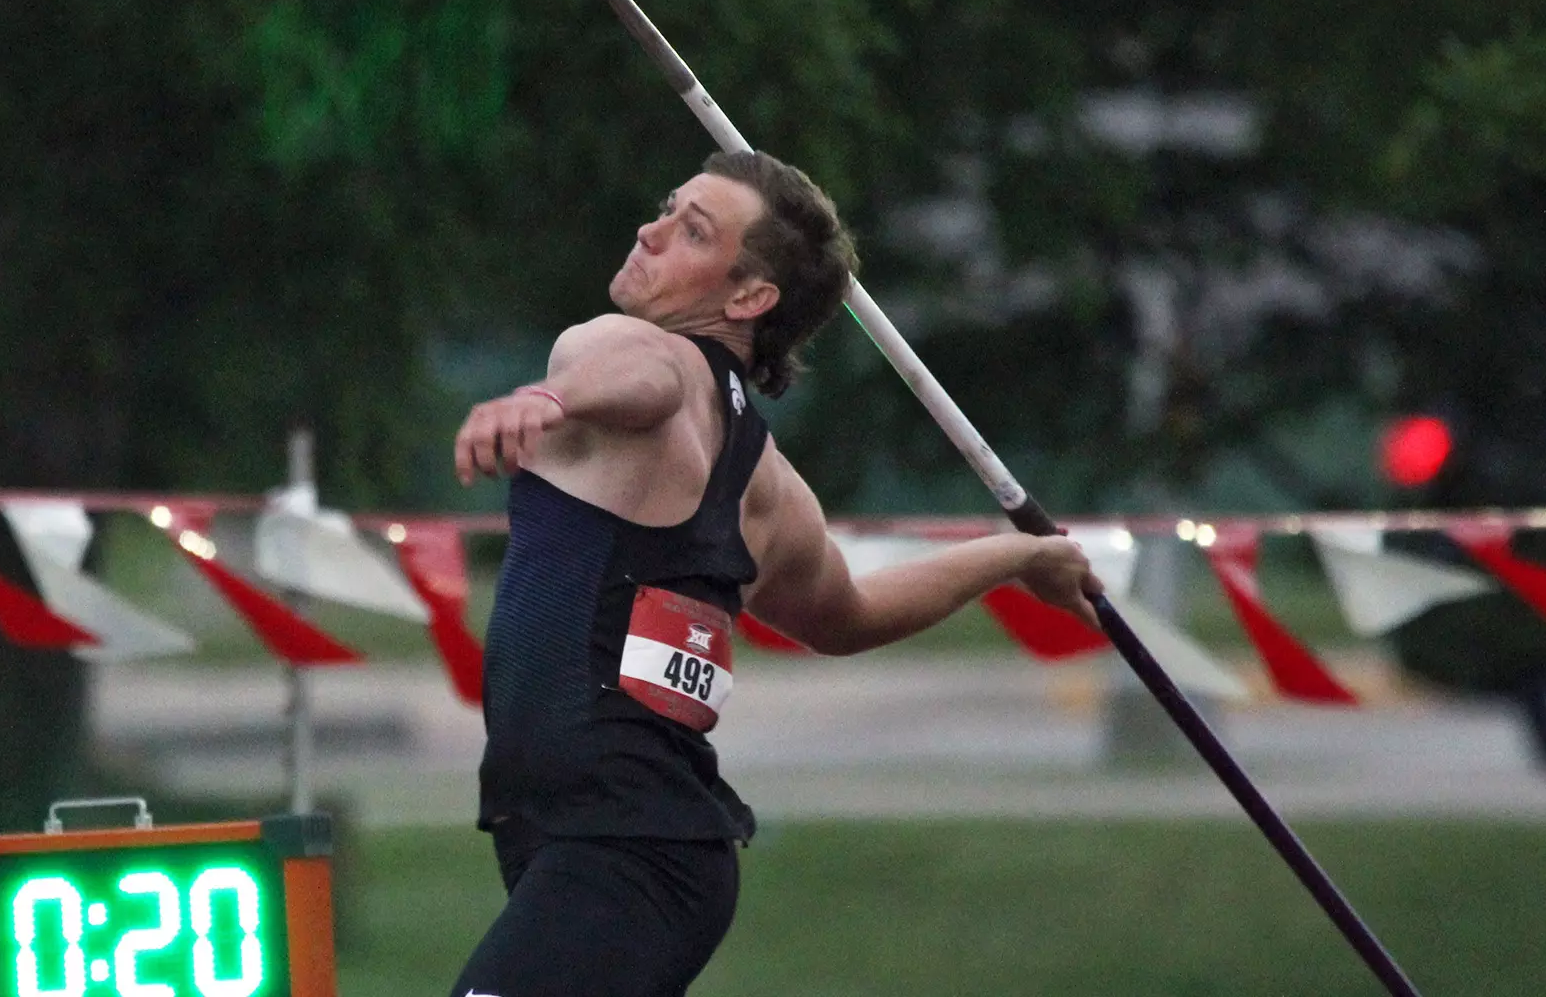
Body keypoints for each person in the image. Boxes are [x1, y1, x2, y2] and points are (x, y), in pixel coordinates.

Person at [447, 150, 1103, 997]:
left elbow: (646, 381)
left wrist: (550, 400)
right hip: (635, 849)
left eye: (692, 231)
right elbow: (849, 616)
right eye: (666, 206)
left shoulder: (624, 350)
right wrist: (1017, 556)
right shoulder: (772, 488)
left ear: (749, 298)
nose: (648, 233)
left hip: (623, 845)